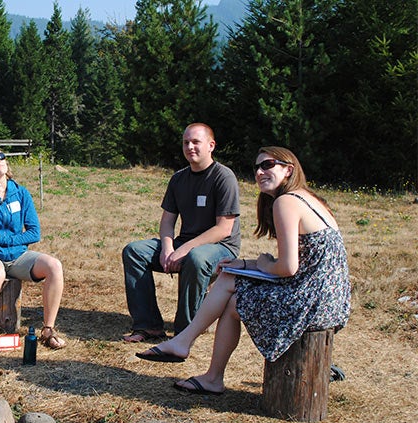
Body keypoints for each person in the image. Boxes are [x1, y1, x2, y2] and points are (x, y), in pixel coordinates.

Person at [136, 147, 350, 395]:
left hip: (312, 303)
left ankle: (187, 346)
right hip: (328, 301)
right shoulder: (307, 198)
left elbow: (287, 267)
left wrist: (261, 262)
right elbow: (302, 264)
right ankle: (208, 372)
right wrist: (248, 264)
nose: (260, 172)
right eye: (257, 167)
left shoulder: (286, 202)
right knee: (232, 291)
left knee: (229, 283)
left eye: (268, 165)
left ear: (288, 169)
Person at [121, 123, 240, 342]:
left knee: (196, 258)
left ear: (211, 145)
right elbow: (167, 221)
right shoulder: (178, 179)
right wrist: (168, 249)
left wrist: (183, 250)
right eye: (186, 142)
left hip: (221, 248)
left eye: (196, 142)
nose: (190, 147)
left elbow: (224, 229)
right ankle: (148, 325)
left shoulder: (224, 177)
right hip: (185, 243)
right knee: (134, 251)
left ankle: (185, 331)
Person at [0, 147, 67, 356]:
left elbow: (34, 233)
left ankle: (48, 330)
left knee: (54, 266)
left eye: (1, 156)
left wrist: (3, 239)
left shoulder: (20, 192)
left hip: (18, 256)